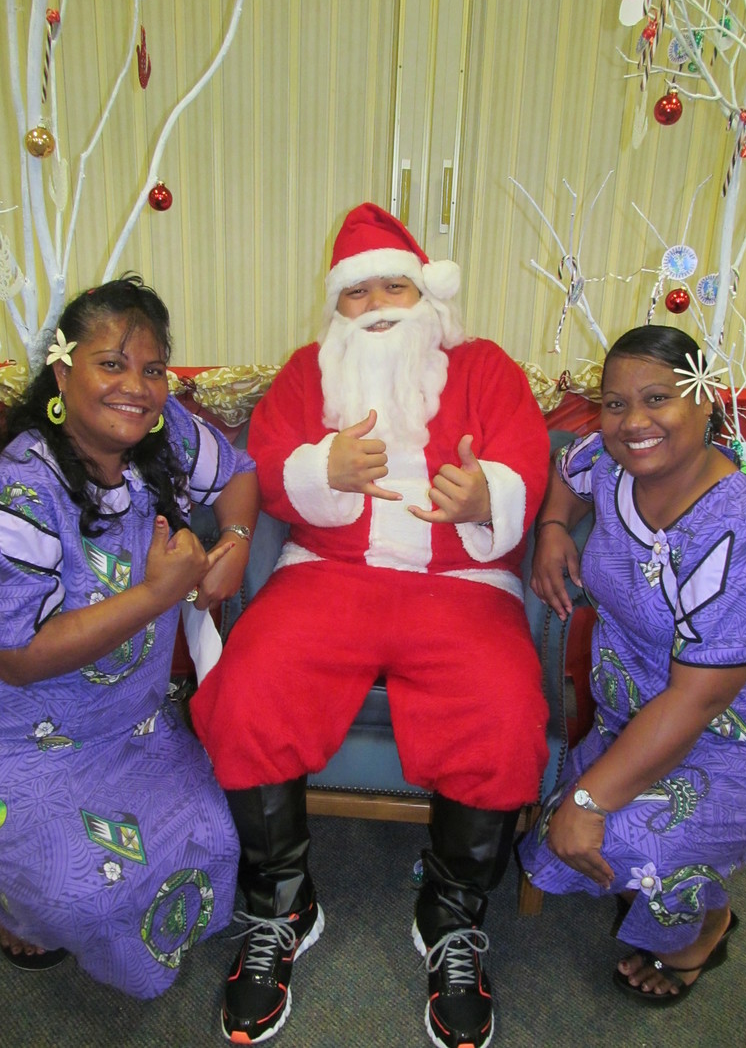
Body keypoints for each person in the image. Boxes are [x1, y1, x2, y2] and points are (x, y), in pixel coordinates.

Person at [190, 202, 551, 1047]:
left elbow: (525, 458)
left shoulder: (485, 365)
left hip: (461, 580)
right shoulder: (305, 371)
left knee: (502, 713)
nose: (380, 303)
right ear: (337, 306)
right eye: (359, 292)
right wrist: (326, 468)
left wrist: (485, 493)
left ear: (427, 293)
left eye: (397, 284)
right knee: (248, 690)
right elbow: (272, 464)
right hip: (329, 573)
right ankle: (281, 900)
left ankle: (452, 914)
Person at [518, 325, 746, 1005]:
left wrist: (589, 798)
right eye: (615, 403)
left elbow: (697, 701)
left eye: (656, 398)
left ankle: (703, 930)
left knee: (620, 836)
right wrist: (555, 528)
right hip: (634, 712)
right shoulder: (614, 463)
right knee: (560, 838)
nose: (632, 421)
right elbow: (568, 471)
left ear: (706, 402)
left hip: (737, 740)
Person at [0, 276, 259, 997]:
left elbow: (240, 472)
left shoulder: (164, 429)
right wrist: (156, 594)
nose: (137, 387)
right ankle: (21, 914)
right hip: (31, 738)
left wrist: (235, 538)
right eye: (111, 364)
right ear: (62, 372)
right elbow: (16, 658)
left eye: (152, 368)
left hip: (135, 724)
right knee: (74, 893)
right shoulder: (21, 487)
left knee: (217, 839)